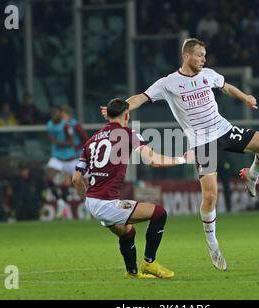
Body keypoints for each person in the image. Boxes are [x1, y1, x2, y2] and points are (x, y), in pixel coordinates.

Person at [101, 38, 259, 271]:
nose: (204, 59)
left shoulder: (208, 74)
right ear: (187, 56)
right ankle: (213, 243)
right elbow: (141, 98)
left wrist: (245, 97)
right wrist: (121, 108)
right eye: (200, 55)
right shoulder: (169, 83)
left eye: (205, 55)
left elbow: (225, 86)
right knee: (210, 197)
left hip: (224, 130)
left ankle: (253, 175)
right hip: (203, 142)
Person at [73, 98, 194, 279]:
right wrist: (183, 159)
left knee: (127, 231)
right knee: (159, 213)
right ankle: (149, 262)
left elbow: (76, 179)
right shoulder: (128, 133)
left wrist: (89, 201)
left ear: (109, 115)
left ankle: (132, 272)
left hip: (92, 201)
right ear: (127, 115)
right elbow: (153, 160)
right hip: (106, 203)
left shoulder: (91, 140)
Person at [46, 106, 79, 218]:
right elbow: (51, 138)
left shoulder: (66, 125)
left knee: (75, 182)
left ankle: (65, 203)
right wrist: (55, 141)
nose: (53, 116)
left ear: (60, 114)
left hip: (70, 158)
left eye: (55, 114)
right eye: (52, 114)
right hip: (57, 157)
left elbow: (71, 142)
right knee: (49, 178)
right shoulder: (50, 124)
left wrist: (58, 142)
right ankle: (60, 200)